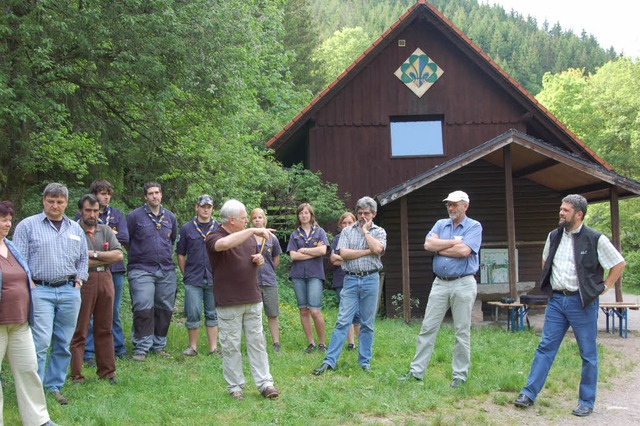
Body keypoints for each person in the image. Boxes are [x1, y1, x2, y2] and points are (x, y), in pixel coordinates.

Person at [514, 194, 625, 417]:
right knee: (545, 347)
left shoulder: (595, 238)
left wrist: (602, 288)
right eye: (561, 209)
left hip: (582, 302)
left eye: (566, 210)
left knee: (588, 354)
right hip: (557, 301)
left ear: (579, 214)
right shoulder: (553, 236)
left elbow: (619, 263)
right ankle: (528, 393)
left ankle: (586, 401)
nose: (561, 213)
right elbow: (545, 260)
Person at [12, 183, 89, 405]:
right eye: (51, 201)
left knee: (63, 341)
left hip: (69, 290)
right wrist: (30, 285)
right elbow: (19, 258)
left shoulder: (75, 228)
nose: (55, 205)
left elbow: (83, 258)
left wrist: (79, 280)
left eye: (60, 202)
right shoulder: (28, 226)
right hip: (40, 290)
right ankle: (32, 387)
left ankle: (54, 385)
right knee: (40, 341)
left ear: (66, 203)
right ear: (43, 200)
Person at [399, 190, 482, 388]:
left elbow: (465, 251)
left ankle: (459, 375)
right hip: (440, 283)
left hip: (463, 282)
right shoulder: (440, 224)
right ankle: (416, 372)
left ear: (465, 206)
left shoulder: (474, 226)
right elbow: (428, 244)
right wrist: (454, 241)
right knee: (427, 327)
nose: (450, 208)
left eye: (454, 204)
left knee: (462, 330)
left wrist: (440, 247)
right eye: (448, 204)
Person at [205, 199, 279, 400]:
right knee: (231, 346)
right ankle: (235, 387)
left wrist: (259, 260)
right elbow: (224, 245)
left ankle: (265, 384)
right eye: (244, 218)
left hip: (252, 298)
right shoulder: (214, 236)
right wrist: (253, 231)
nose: (247, 221)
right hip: (229, 302)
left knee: (257, 343)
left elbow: (254, 258)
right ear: (231, 220)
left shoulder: (247, 237)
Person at [313, 197, 387, 375]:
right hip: (351, 280)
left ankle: (364, 362)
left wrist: (366, 232)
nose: (362, 216)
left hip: (371, 279)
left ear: (374, 214)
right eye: (359, 213)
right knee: (342, 321)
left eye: (366, 213)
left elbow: (378, 249)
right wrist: (367, 251)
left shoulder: (380, 231)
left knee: (367, 323)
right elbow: (344, 254)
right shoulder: (346, 232)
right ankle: (329, 361)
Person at [0, 201, 58, 426]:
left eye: (9, 219)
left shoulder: (11, 247)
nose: (8, 223)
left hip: (20, 322)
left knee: (28, 371)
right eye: (3, 219)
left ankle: (38, 420)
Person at [69, 194, 123, 384]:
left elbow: (118, 255)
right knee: (80, 328)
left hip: (106, 278)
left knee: (104, 327)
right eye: (88, 210)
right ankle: (76, 374)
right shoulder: (73, 230)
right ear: (80, 211)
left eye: (95, 210)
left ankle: (108, 372)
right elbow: (74, 260)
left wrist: (93, 254)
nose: (92, 214)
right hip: (84, 280)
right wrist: (101, 257)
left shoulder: (105, 229)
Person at [126, 182, 178, 362]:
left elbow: (171, 241)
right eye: (150, 193)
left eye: (157, 193)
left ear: (161, 195)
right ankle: (141, 347)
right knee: (143, 307)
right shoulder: (134, 217)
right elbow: (127, 240)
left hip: (165, 269)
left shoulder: (169, 217)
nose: (154, 196)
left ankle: (159, 345)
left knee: (164, 309)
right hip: (141, 269)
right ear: (145, 197)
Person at [82, 179, 130, 364]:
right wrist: (108, 251)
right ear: (94, 195)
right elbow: (80, 250)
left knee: (113, 311)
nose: (106, 196)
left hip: (114, 271)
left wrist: (99, 251)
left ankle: (118, 348)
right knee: (89, 313)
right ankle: (88, 352)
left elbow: (124, 237)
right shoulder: (86, 217)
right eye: (102, 193)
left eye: (108, 193)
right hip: (90, 272)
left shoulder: (117, 214)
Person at [176, 195, 220, 357]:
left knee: (212, 313)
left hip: (213, 277)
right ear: (197, 207)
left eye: (209, 206)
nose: (206, 209)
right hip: (193, 278)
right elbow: (180, 253)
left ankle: (213, 349)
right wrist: (185, 273)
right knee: (193, 312)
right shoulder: (187, 228)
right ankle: (192, 347)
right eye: (203, 206)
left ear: (212, 208)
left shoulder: (219, 228)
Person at [287, 203, 330, 353]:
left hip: (315, 275)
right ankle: (311, 343)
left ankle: (322, 344)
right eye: (301, 213)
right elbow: (293, 256)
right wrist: (313, 251)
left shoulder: (320, 232)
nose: (303, 215)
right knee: (303, 310)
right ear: (298, 216)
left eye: (306, 213)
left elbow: (323, 250)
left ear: (311, 215)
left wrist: (304, 250)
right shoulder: (294, 234)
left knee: (315, 310)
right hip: (298, 275)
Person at [250, 208, 282, 352]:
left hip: (269, 280)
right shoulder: (247, 237)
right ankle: (258, 343)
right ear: (251, 220)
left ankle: (276, 343)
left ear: (265, 220)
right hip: (251, 282)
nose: (258, 220)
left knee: (272, 312)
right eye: (255, 217)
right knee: (254, 314)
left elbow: (276, 259)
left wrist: (268, 270)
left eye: (260, 217)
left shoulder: (272, 238)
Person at [329, 212, 360, 350]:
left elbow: (339, 258)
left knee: (358, 313)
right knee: (346, 312)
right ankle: (351, 343)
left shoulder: (359, 237)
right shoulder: (337, 238)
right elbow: (333, 260)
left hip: (357, 278)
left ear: (355, 223)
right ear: (340, 225)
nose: (347, 225)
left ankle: (362, 344)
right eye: (344, 223)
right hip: (341, 280)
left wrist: (344, 257)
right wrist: (353, 257)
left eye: (350, 222)